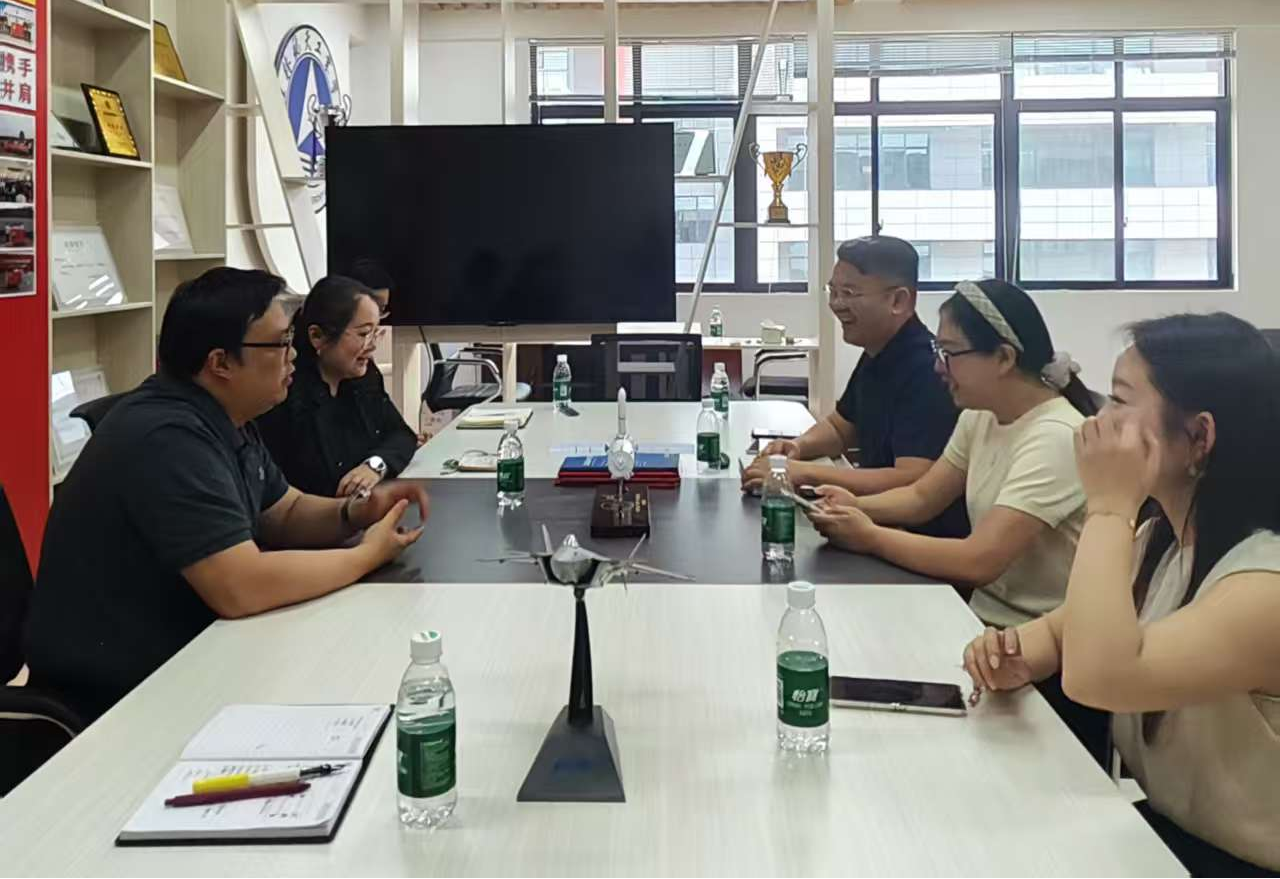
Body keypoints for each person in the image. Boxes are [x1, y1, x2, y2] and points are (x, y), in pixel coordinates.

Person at [23, 268, 429, 723]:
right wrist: (365, 556)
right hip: (119, 699)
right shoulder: (167, 436)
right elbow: (241, 586)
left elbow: (285, 511)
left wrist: (355, 512)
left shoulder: (227, 417)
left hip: (192, 657)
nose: (294, 355)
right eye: (281, 343)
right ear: (221, 363)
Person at [963, 313, 1280, 878]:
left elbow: (1100, 677)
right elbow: (1063, 632)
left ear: (1200, 438)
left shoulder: (1265, 584)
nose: (1097, 422)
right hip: (1174, 836)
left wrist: (1110, 505)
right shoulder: (1161, 538)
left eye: (1119, 401)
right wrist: (1012, 652)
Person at [808, 279, 1097, 627]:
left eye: (950, 353)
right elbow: (921, 497)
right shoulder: (981, 415)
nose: (938, 367)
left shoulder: (1056, 436)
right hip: (977, 618)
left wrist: (869, 536)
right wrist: (853, 506)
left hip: (1032, 637)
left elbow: (979, 561)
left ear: (1004, 358)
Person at [742, 236, 967, 537]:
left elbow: (912, 478)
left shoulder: (926, 370)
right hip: (872, 522)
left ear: (898, 301)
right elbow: (840, 427)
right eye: (833, 291)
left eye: (848, 293)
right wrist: (798, 447)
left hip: (914, 538)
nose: (836, 304)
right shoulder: (877, 351)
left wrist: (801, 472)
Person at [258, 275, 417, 498]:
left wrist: (374, 466)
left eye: (375, 333)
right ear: (317, 336)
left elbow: (401, 434)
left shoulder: (365, 377)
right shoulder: (285, 393)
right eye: (363, 334)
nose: (372, 346)